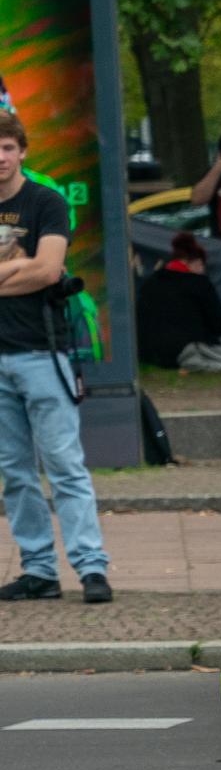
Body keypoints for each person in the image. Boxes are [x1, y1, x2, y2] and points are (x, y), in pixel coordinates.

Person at [0, 110, 110, 603]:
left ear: (22, 151)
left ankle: (91, 567)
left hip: (43, 353)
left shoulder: (46, 201)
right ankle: (39, 570)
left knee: (65, 465)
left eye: (7, 147)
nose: (0, 158)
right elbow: (35, 266)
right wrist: (20, 267)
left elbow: (48, 271)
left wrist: (28, 267)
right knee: (14, 472)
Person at [136, 232, 221, 371]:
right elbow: (218, 326)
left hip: (150, 353)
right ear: (199, 262)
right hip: (184, 346)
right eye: (203, 267)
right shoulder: (200, 283)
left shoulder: (151, 282)